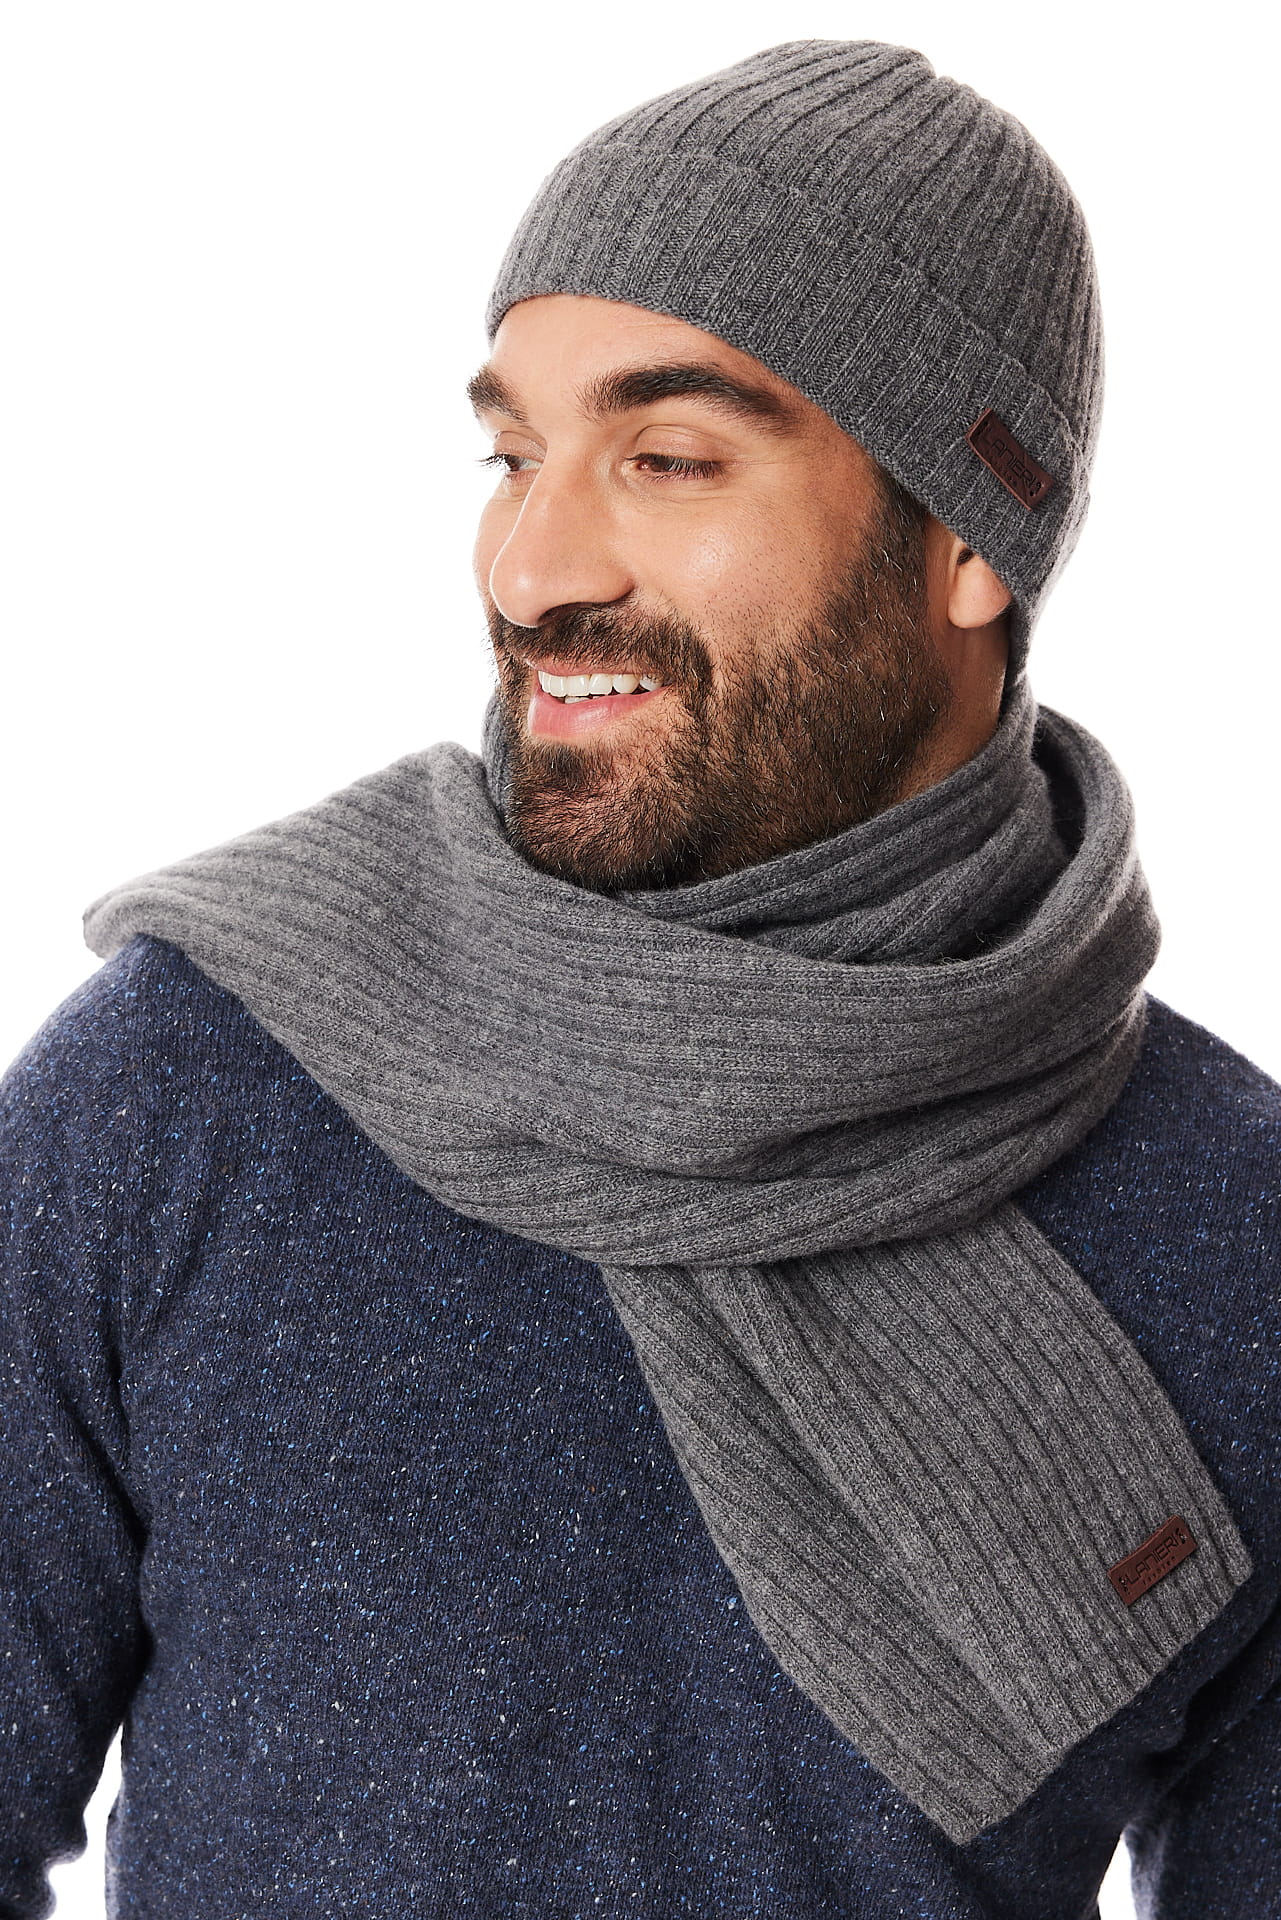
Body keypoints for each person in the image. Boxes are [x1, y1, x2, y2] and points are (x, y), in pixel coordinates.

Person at [1, 37, 1276, 1920]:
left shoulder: (1230, 1227)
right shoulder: (188, 1091)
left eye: (664, 459)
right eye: (511, 456)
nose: (530, 568)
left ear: (971, 538)